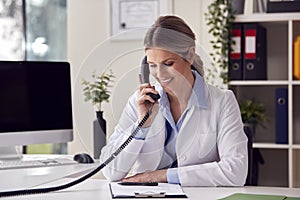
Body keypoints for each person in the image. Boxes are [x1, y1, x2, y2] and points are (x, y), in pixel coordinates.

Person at [100, 15, 248, 187]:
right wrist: (141, 125)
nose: (160, 74)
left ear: (190, 55)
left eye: (168, 63)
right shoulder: (140, 102)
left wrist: (161, 175)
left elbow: (236, 171)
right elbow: (111, 171)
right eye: (153, 65)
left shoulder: (222, 102)